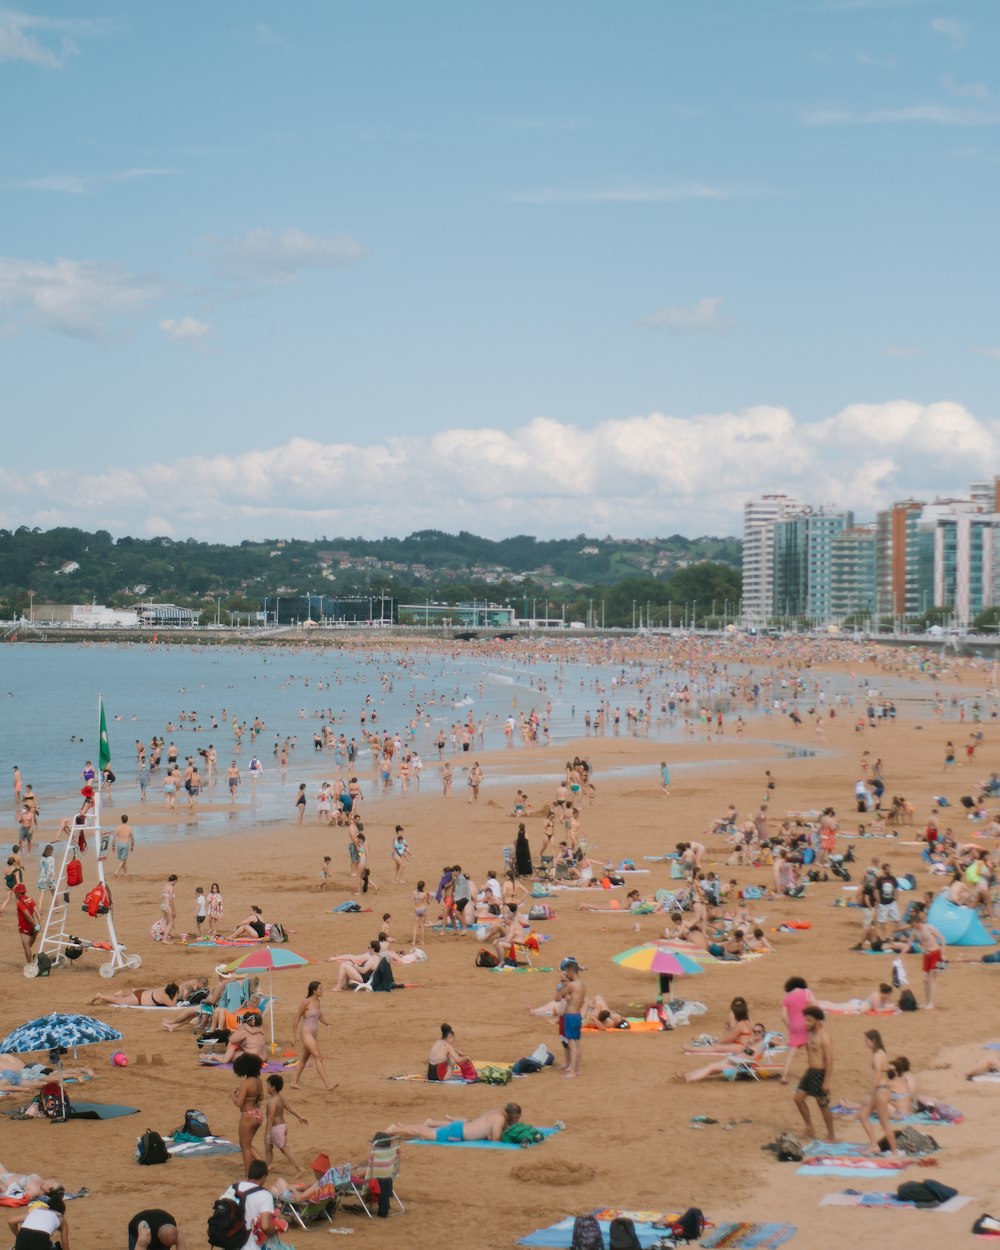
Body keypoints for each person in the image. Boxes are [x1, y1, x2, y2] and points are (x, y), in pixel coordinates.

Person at [793, 1005, 835, 1143]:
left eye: (809, 1020)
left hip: (820, 1072)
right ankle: (809, 1128)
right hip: (810, 1071)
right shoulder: (809, 1033)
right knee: (798, 1099)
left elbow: (829, 1060)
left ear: (817, 1021)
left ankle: (831, 1135)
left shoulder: (825, 1037)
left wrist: (827, 1081)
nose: (806, 1023)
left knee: (822, 1104)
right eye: (805, 1020)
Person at [858, 1029, 900, 1159]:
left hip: (880, 1089)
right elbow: (884, 1069)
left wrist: (871, 1089)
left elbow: (877, 1073)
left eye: (867, 1040)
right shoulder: (882, 1053)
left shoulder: (878, 1055)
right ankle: (874, 1145)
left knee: (884, 1122)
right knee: (863, 1115)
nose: (866, 1043)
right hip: (881, 1089)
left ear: (873, 1040)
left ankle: (894, 1151)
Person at [385, 1103, 522, 1142]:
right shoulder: (500, 1119)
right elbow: (496, 1139)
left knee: (426, 1132)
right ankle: (394, 1130)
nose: (517, 1121)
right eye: (516, 1118)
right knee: (425, 1134)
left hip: (460, 1128)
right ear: (512, 1116)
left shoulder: (496, 1112)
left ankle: (401, 1127)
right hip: (458, 1133)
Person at [218, 1160, 274, 1250]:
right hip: (250, 1246)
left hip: (230, 1242)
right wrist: (274, 1230)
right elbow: (265, 1226)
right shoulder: (265, 1195)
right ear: (264, 1176)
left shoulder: (233, 1187)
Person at [290, 982, 334, 1090]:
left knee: (304, 1058)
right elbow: (297, 1018)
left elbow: (320, 1016)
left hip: (313, 1034)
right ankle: (327, 1084)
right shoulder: (306, 1002)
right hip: (306, 1033)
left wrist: (328, 1023)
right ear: (314, 990)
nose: (322, 990)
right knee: (318, 1057)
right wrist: (293, 1036)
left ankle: (294, 1082)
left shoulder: (317, 1001)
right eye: (320, 988)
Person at [263, 1074, 307, 1171]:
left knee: (284, 1149)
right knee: (268, 1146)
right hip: (281, 1126)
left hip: (276, 1128)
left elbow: (270, 1118)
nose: (266, 1087)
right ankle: (267, 1166)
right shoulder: (280, 1098)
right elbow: (289, 1108)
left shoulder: (272, 1102)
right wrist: (299, 1116)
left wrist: (267, 1133)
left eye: (268, 1085)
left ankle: (300, 1168)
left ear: (273, 1087)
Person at [232, 1053, 266, 1174]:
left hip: (247, 1116)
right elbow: (261, 1097)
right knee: (248, 1143)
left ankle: (248, 1172)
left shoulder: (246, 1083)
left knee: (244, 1146)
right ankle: (261, 1162)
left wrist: (233, 1095)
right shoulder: (259, 1080)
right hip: (258, 1114)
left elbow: (239, 1103)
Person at [780, 976, 814, 1084]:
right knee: (810, 1050)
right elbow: (813, 1006)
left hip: (794, 1025)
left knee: (792, 1051)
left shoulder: (786, 998)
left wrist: (790, 1027)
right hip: (806, 1023)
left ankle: (784, 1076)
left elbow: (784, 1017)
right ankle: (812, 1074)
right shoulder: (806, 992)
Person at [559, 960, 585, 1078]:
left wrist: (562, 980)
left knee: (571, 1044)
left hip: (570, 1015)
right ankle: (578, 1069)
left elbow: (563, 994)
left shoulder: (571, 985)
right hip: (577, 1015)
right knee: (577, 1044)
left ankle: (573, 1071)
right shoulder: (582, 985)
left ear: (570, 971)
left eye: (567, 972)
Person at [91, 981, 180, 1008]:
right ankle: (100, 995)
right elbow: (173, 1005)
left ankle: (121, 994)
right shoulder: (164, 996)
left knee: (124, 998)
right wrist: (176, 994)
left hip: (142, 993)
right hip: (139, 997)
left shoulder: (163, 989)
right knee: (119, 1001)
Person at [13, 884, 40, 964]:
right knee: (29, 944)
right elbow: (36, 910)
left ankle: (30, 964)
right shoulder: (30, 899)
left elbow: (27, 915)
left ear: (18, 893)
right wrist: (39, 922)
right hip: (32, 926)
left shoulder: (19, 902)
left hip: (25, 926)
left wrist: (35, 925)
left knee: (27, 946)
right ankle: (36, 932)